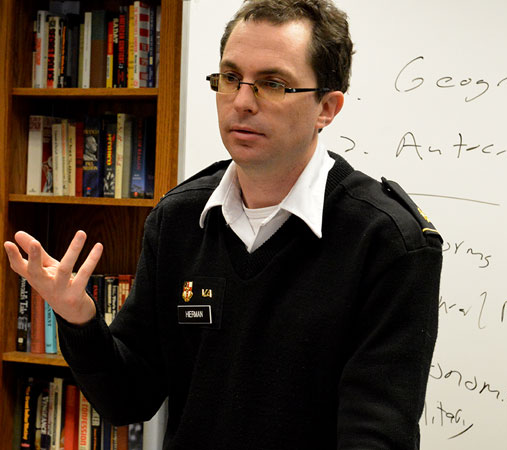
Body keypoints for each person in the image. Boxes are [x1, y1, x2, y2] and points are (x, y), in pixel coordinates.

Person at [4, 0, 443, 448]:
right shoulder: (178, 218)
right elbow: (129, 399)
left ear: (326, 108)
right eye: (230, 78)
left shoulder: (390, 240)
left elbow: (374, 435)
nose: (242, 102)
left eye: (273, 84)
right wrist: (79, 321)